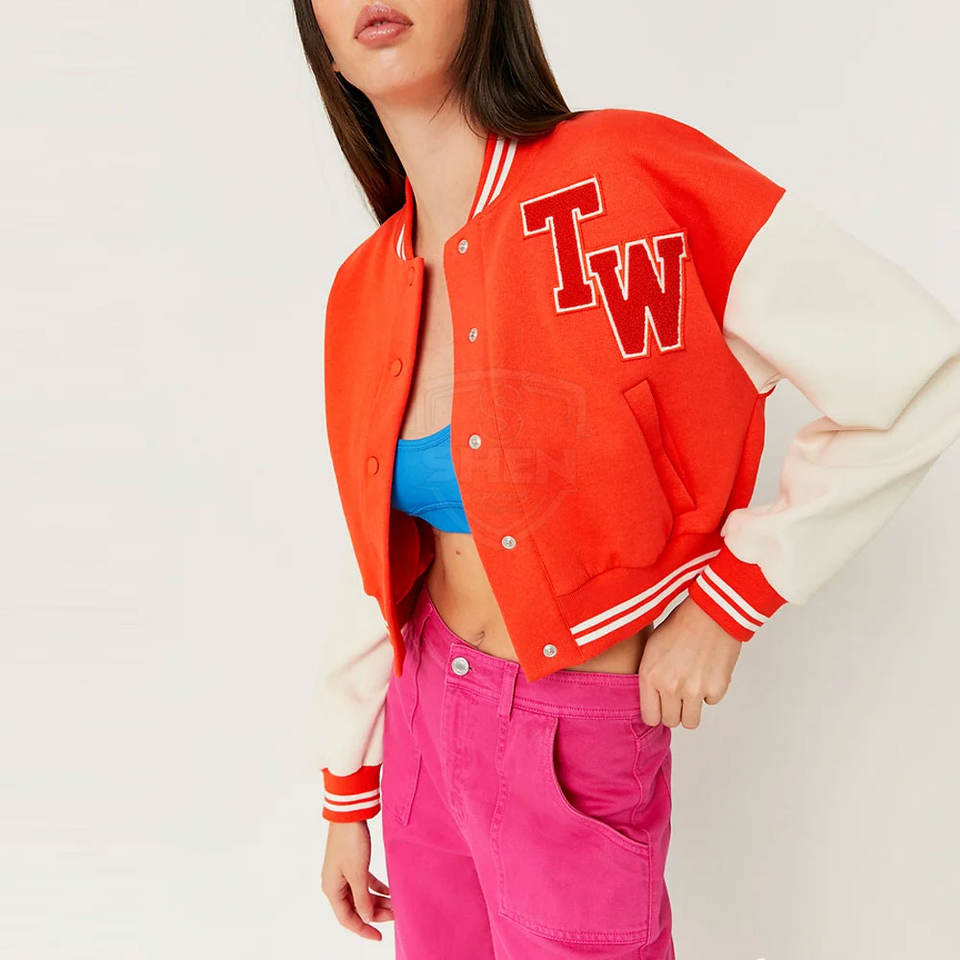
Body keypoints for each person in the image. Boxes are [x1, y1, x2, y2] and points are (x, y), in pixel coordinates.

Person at [294, 1, 960, 956]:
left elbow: (921, 371)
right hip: (422, 725)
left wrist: (733, 599)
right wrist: (346, 787)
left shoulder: (628, 173)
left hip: (573, 734)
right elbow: (375, 561)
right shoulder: (362, 289)